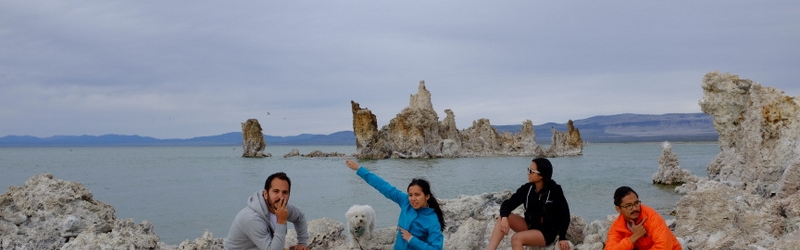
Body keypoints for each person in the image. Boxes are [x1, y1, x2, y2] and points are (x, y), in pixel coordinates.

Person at [344, 156, 445, 250]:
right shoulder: (406, 201)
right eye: (410, 195)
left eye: (417, 195)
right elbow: (384, 187)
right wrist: (359, 169)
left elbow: (436, 248)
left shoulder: (432, 221)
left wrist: (411, 239)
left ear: (427, 196)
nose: (413, 199)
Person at [486, 158, 571, 250]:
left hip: (546, 233)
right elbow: (507, 204)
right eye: (528, 169)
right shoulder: (527, 189)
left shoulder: (554, 190)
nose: (528, 173)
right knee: (503, 217)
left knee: (516, 239)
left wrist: (562, 237)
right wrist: (504, 218)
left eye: (531, 171)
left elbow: (565, 214)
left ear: (541, 175)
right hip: (529, 225)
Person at [224, 172, 310, 250]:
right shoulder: (251, 218)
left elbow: (300, 217)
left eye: (285, 192)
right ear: (265, 194)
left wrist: (302, 243)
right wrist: (281, 221)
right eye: (276, 191)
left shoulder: (282, 207)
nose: (281, 197)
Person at [604, 186, 681, 250]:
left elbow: (664, 246)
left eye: (636, 203)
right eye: (629, 206)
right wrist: (633, 237)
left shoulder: (651, 217)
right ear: (618, 209)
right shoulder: (618, 226)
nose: (634, 208)